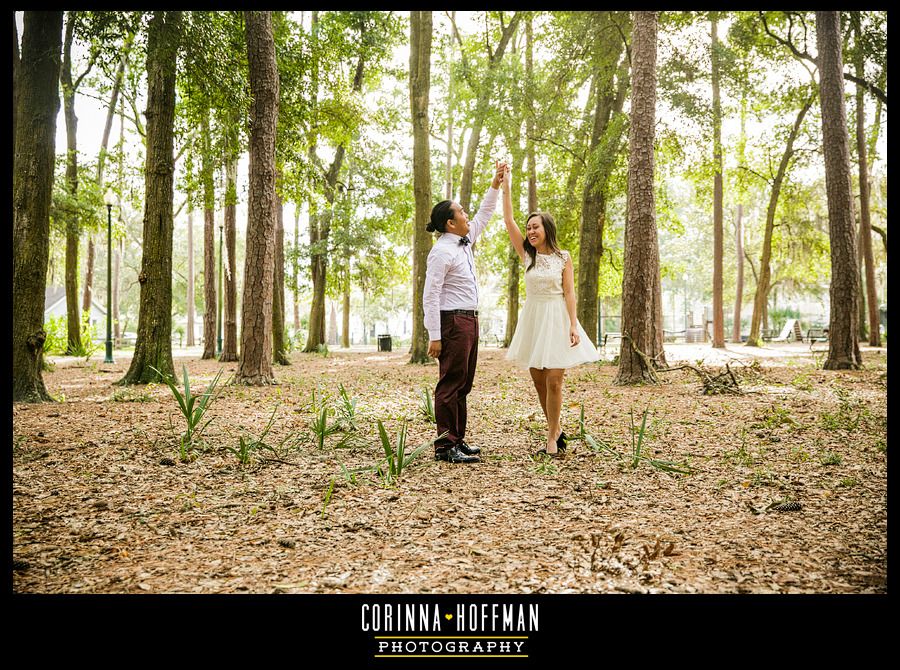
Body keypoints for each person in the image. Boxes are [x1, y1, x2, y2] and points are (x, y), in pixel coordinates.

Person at [501, 165, 599, 458]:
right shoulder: (527, 256)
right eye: (529, 227)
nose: (531, 231)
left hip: (557, 318)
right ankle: (555, 427)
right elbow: (507, 219)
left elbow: (570, 292)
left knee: (555, 379)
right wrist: (507, 184)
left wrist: (573, 324)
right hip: (533, 319)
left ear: (547, 230)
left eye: (535, 227)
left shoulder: (563, 257)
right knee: (538, 379)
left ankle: (551, 438)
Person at [424, 161, 507, 464]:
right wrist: (435, 335)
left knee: (464, 383)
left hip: (470, 320)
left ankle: (458, 440)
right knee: (450, 383)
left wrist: (495, 184)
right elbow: (430, 295)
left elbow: (485, 213)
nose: (467, 214)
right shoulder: (441, 252)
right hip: (452, 321)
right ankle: (445, 447)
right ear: (450, 222)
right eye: (461, 212)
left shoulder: (465, 241)